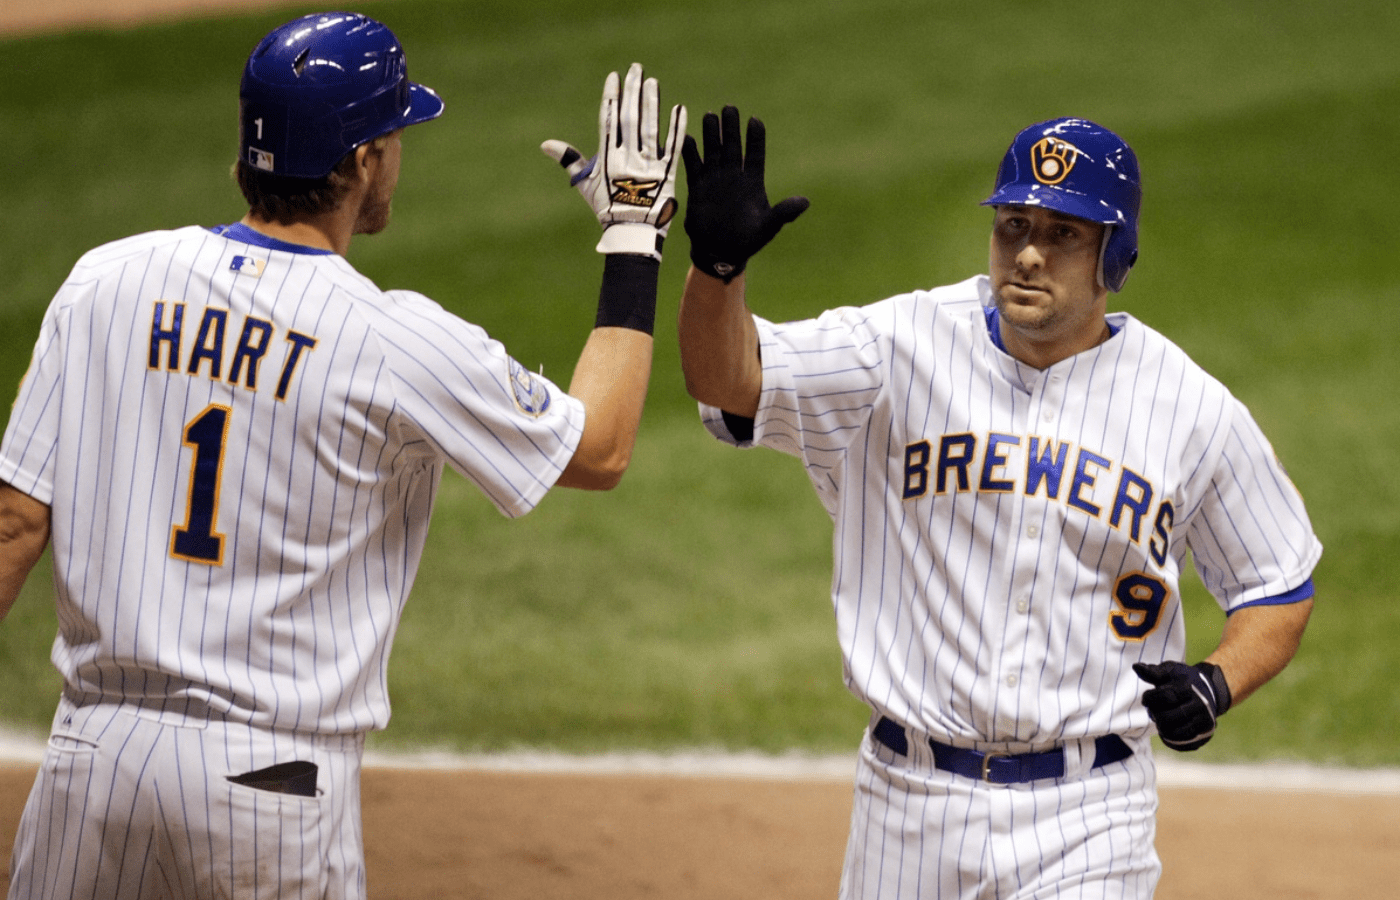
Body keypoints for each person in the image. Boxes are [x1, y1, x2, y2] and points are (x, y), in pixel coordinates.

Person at [0, 11, 684, 899]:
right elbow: (601, 448)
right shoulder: (390, 337)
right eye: (395, 135)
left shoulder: (105, 280)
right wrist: (634, 239)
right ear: (362, 160)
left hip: (91, 764)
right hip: (266, 789)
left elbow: (14, 525)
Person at [677, 109, 1320, 898]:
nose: (1027, 254)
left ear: (1114, 256)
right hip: (906, 804)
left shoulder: (1190, 407)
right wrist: (715, 271)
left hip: (1091, 814)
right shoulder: (895, 347)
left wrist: (1217, 683)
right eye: (1013, 224)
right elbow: (726, 380)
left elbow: (1276, 584)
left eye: (1063, 235)